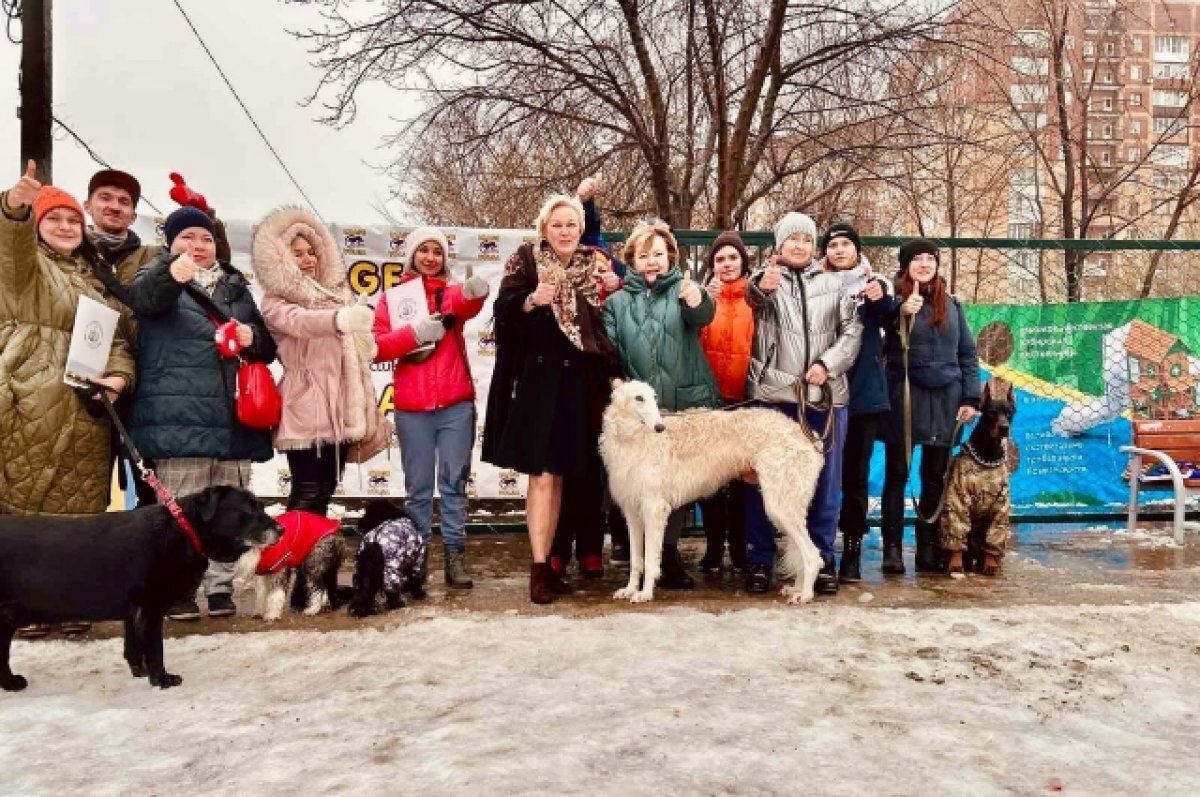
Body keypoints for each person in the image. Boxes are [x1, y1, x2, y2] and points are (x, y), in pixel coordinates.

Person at [124, 205, 277, 620]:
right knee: (179, 514)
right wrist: (172, 274)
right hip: (179, 420)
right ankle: (177, 589)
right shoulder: (155, 275)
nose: (197, 245)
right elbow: (144, 301)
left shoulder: (235, 288)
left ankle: (221, 588)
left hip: (233, 422)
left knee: (234, 513)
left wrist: (252, 336)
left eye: (205, 238)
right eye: (186, 237)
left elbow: (268, 347)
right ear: (170, 243)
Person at [482, 193, 621, 604]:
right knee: (541, 476)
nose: (564, 231)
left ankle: (548, 563)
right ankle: (539, 566)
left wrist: (612, 374)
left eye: (572, 224)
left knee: (559, 476)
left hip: (577, 384)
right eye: (557, 224)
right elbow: (501, 315)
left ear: (581, 230)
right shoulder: (525, 261)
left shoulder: (593, 266)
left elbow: (602, 327)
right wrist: (530, 301)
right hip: (536, 383)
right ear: (545, 228)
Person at [0, 163, 135, 517]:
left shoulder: (91, 279)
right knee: (18, 529)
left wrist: (119, 378)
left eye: (73, 220)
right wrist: (15, 209)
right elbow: (12, 244)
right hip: (28, 412)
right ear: (37, 225)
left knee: (73, 535)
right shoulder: (25, 269)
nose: (65, 227)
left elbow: (115, 342)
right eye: (53, 219)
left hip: (85, 423)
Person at [743, 211, 862, 596]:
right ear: (778, 244)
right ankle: (760, 559)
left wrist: (827, 365)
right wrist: (763, 285)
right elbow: (752, 296)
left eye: (806, 240)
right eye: (791, 239)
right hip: (774, 397)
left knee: (825, 483)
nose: (799, 245)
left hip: (825, 400)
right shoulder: (766, 280)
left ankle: (821, 559)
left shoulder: (834, 284)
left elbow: (852, 332)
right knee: (763, 482)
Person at [603, 220, 720, 589]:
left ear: (670, 256)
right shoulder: (617, 303)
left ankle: (668, 556)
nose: (651, 262)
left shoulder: (684, 289)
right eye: (643, 255)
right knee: (640, 482)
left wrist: (695, 299)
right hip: (643, 410)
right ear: (632, 260)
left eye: (657, 254)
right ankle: (640, 556)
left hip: (686, 399)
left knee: (676, 485)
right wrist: (618, 384)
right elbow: (610, 351)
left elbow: (703, 314)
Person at [373, 226, 489, 590]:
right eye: (423, 250)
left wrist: (475, 293)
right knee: (418, 489)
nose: (430, 257)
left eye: (436, 251)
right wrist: (415, 334)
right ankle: (416, 557)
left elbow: (465, 303)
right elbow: (376, 346)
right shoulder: (393, 298)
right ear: (411, 256)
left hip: (455, 405)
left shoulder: (449, 292)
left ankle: (455, 556)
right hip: (412, 408)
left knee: (454, 484)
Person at [251, 206, 378, 516]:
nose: (308, 259)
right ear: (279, 258)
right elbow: (301, 322)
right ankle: (294, 560)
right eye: (297, 253)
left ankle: (315, 563)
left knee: (326, 491)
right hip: (306, 405)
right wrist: (341, 318)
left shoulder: (339, 295)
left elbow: (360, 351)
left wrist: (365, 339)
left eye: (312, 252)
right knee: (307, 491)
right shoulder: (276, 301)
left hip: (340, 407)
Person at [879, 238, 980, 574]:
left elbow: (966, 353)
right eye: (917, 259)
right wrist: (898, 314)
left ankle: (927, 547)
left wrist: (970, 397)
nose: (924, 264)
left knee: (934, 476)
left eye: (929, 258)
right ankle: (891, 549)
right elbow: (879, 338)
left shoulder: (952, 305)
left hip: (946, 400)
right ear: (906, 265)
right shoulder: (893, 300)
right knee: (897, 474)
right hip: (906, 397)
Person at [818, 222, 892, 583]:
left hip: (862, 396)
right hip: (822, 394)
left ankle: (852, 549)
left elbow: (889, 323)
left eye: (846, 244)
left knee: (856, 477)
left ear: (857, 250)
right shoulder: (815, 284)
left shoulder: (874, 285)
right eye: (833, 245)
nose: (839, 250)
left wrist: (880, 299)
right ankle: (819, 549)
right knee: (820, 475)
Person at [696, 230, 754, 574]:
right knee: (712, 479)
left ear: (743, 262)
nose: (727, 264)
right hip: (711, 397)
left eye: (733, 258)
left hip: (746, 396)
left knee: (744, 477)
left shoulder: (756, 297)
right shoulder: (704, 298)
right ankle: (714, 544)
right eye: (720, 259)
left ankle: (741, 545)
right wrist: (703, 302)